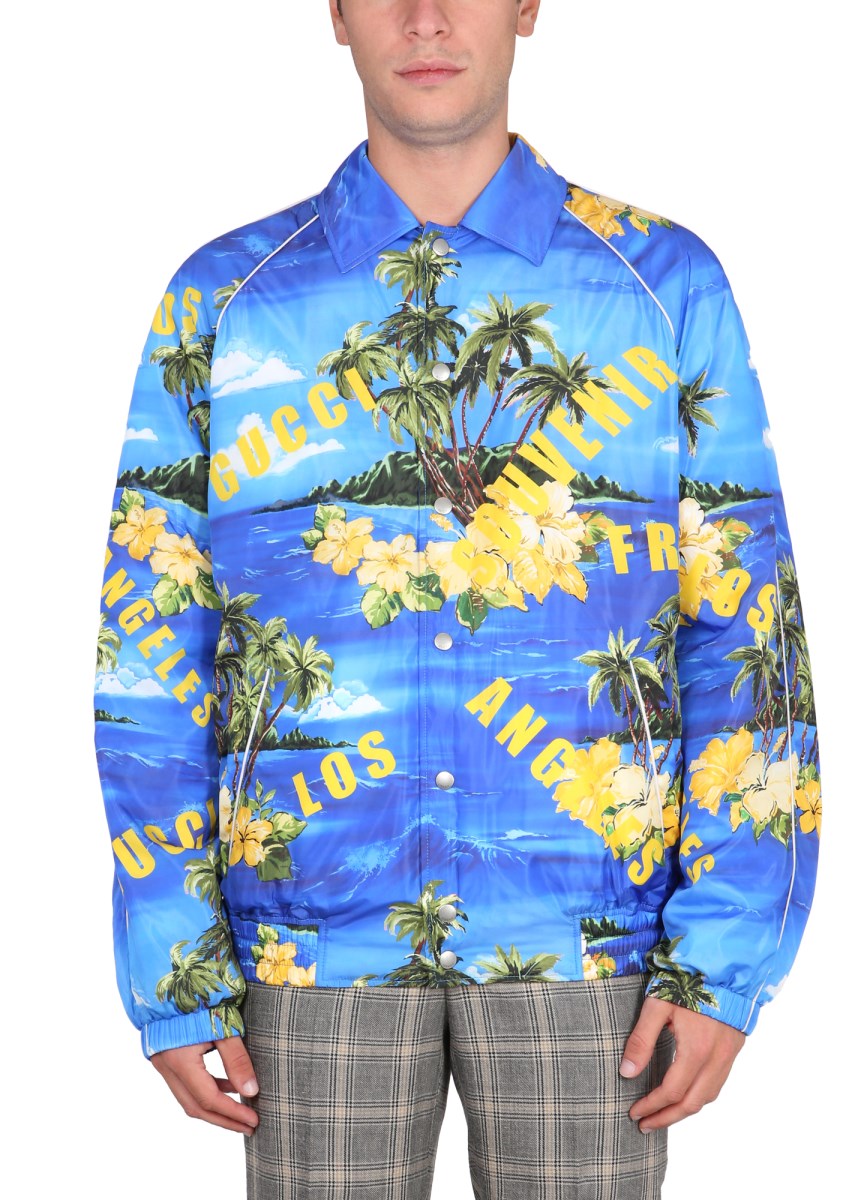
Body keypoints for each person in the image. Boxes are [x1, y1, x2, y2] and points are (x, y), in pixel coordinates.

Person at [92, 1, 822, 1195]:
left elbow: (749, 638)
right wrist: (176, 964)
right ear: (335, 12)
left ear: (528, 4)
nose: (426, 18)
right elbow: (151, 649)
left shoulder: (661, 287)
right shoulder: (223, 303)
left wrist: (726, 956)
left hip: (596, 950)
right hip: (307, 948)